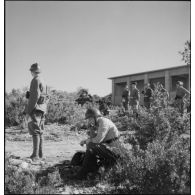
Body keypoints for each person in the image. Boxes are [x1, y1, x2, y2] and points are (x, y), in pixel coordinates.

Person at [71, 108, 126, 180]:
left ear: (95, 117)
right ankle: (87, 170)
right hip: (110, 149)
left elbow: (97, 140)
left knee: (92, 145)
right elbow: (93, 140)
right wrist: (91, 130)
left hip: (116, 153)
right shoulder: (98, 123)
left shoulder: (104, 122)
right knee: (91, 146)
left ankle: (83, 173)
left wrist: (86, 141)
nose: (89, 121)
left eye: (90, 119)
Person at [24, 63, 47, 161]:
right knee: (39, 132)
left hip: (35, 109)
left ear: (32, 71)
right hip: (42, 109)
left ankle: (35, 156)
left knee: (35, 132)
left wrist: (28, 111)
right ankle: (40, 155)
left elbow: (34, 97)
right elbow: (45, 97)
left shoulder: (35, 80)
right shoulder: (43, 81)